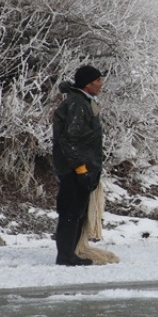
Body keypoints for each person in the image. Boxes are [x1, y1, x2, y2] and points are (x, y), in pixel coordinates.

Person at [52, 65, 106, 266]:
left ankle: (70, 253)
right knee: (70, 212)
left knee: (77, 212)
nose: (101, 84)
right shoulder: (76, 104)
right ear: (87, 83)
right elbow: (70, 140)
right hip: (75, 169)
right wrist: (82, 170)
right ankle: (66, 256)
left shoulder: (84, 102)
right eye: (98, 80)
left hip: (81, 168)